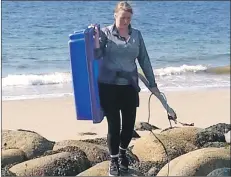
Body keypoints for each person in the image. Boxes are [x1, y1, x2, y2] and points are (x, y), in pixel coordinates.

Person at [92, 1, 176, 176]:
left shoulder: (136, 35)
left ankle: (123, 153)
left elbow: (144, 60)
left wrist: (152, 83)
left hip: (129, 86)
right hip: (109, 86)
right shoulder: (106, 33)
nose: (125, 21)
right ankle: (113, 160)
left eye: (128, 18)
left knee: (129, 126)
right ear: (115, 15)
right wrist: (96, 41)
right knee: (114, 125)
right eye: (123, 17)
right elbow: (97, 56)